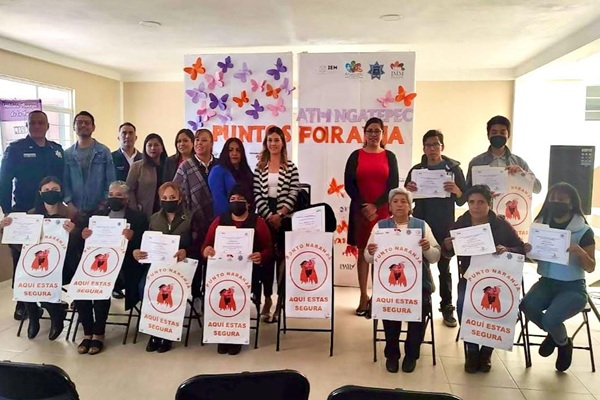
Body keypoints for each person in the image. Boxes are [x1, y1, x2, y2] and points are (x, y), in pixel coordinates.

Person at [443, 184, 525, 373]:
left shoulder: (501, 224)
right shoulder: (461, 223)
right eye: (471, 202)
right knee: (463, 306)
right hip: (470, 277)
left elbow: (521, 248)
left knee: (498, 311)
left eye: (481, 202)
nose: (475, 206)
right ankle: (472, 351)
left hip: (497, 278)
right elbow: (448, 253)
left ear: (489, 204)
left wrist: (507, 249)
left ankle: (487, 352)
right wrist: (447, 246)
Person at [520, 182, 595, 372]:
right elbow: (538, 258)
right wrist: (530, 251)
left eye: (561, 199)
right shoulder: (541, 225)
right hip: (546, 283)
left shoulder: (583, 230)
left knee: (551, 318)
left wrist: (580, 253)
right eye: (552, 199)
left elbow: (591, 267)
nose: (556, 202)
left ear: (571, 203)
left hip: (573, 287)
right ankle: (559, 337)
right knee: (527, 305)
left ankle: (562, 343)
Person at [364, 187, 440, 373]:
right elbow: (367, 257)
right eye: (395, 201)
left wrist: (427, 248)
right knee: (389, 307)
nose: (399, 205)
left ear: (410, 206)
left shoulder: (421, 226)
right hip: (388, 286)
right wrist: (371, 252)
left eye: (404, 201)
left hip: (418, 285)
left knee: (420, 307)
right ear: (389, 206)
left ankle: (411, 355)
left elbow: (435, 257)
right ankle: (392, 354)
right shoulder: (380, 227)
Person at [0, 110, 65, 320]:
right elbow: (4, 181)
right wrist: (7, 210)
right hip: (23, 211)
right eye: (33, 123)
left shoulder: (56, 150)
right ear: (27, 126)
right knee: (21, 257)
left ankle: (50, 298)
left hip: (50, 212)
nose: (37, 126)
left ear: (47, 126)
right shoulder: (15, 149)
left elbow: (63, 179)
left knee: (49, 254)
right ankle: (23, 303)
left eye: (41, 123)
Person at [0, 176, 80, 340]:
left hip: (63, 264)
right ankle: (33, 314)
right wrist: (6, 229)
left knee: (43, 277)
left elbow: (79, 245)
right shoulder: (32, 215)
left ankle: (55, 312)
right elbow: (20, 244)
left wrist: (74, 232)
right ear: (40, 193)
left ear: (61, 192)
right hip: (37, 263)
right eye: (47, 190)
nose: (51, 193)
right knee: (25, 275)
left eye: (55, 190)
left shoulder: (72, 213)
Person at [405, 130, 466, 327]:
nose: (432, 148)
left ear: (442, 147)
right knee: (419, 265)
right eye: (428, 145)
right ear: (423, 148)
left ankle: (447, 307)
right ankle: (419, 304)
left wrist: (457, 190)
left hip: (444, 224)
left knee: (444, 268)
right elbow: (405, 200)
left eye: (436, 145)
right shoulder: (416, 170)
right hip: (421, 223)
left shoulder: (453, 169)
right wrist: (408, 191)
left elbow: (463, 199)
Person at [202, 184, 273, 355]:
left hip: (249, 272)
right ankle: (223, 334)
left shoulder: (258, 222)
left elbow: (269, 249)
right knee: (220, 291)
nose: (236, 202)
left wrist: (261, 255)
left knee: (238, 293)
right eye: (233, 199)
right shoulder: (219, 221)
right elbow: (205, 245)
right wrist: (206, 251)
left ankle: (236, 336)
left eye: (241, 199)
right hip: (222, 272)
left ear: (248, 203)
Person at [77, 181, 143, 355]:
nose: (114, 198)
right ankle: (87, 332)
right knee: (81, 288)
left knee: (101, 288)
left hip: (123, 267)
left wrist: (133, 238)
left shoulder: (137, 218)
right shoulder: (98, 216)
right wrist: (84, 235)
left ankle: (99, 333)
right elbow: (83, 243)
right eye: (111, 195)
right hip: (96, 263)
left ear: (127, 198)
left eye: (119, 195)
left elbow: (143, 247)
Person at [344, 117, 399, 317]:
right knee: (362, 253)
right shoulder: (355, 155)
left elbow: (393, 185)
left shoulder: (390, 156)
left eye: (377, 131)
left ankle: (379, 296)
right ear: (364, 133)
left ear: (383, 134)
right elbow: (349, 184)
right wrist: (364, 206)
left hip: (382, 211)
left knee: (380, 254)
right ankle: (363, 296)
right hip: (360, 212)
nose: (374, 134)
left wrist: (375, 206)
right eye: (370, 131)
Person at [133, 181, 192, 354]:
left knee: (172, 291)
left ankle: (167, 333)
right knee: (144, 287)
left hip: (181, 267)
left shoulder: (190, 217)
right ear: (160, 199)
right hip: (157, 266)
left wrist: (187, 251)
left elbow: (198, 242)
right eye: (165, 198)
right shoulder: (153, 219)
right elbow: (143, 243)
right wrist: (137, 252)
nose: (168, 200)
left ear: (179, 198)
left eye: (172, 197)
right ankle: (154, 330)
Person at [253, 126, 299, 322]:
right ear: (266, 143)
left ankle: (280, 301)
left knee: (282, 260)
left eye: (276, 140)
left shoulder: (291, 167)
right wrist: (269, 215)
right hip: (265, 217)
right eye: (270, 140)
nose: (273, 143)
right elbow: (256, 194)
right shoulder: (259, 167)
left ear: (282, 143)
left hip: (284, 218)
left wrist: (280, 214)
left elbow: (294, 192)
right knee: (266, 259)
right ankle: (267, 299)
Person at [466, 115, 541, 194]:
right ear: (488, 135)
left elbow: (537, 189)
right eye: (494, 132)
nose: (498, 135)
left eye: (502, 132)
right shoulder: (476, 163)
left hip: (512, 202)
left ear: (508, 135)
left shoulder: (519, 162)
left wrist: (522, 174)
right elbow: (467, 192)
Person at [63, 111, 116, 215]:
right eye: (79, 122)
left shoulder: (103, 151)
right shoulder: (68, 154)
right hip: (75, 210)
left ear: (93, 127)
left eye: (87, 123)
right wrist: (69, 203)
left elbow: (111, 180)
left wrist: (104, 203)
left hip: (100, 209)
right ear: (73, 127)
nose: (83, 125)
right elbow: (65, 181)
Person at [173, 129, 213, 222]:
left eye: (204, 140)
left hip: (217, 216)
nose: (199, 143)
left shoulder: (219, 165)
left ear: (211, 144)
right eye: (197, 140)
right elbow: (176, 191)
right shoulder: (185, 166)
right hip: (193, 219)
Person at [208, 138, 254, 216]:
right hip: (226, 219)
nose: (234, 153)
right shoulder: (217, 171)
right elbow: (219, 201)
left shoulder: (246, 171)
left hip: (248, 218)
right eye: (230, 150)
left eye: (238, 150)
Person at [126, 133, 169, 216]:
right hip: (143, 211)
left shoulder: (169, 165)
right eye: (149, 145)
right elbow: (129, 189)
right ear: (145, 148)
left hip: (165, 210)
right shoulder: (137, 166)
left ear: (162, 148)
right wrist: (135, 208)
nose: (153, 148)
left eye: (156, 145)